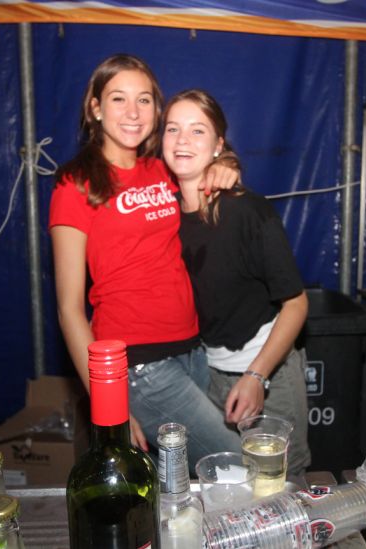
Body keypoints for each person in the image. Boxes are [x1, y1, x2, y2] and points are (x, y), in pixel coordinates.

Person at [49, 55, 240, 467]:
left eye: (144, 100)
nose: (133, 112)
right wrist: (108, 404)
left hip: (193, 349)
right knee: (236, 463)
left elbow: (209, 162)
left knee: (191, 483)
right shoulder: (74, 184)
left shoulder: (161, 169)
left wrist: (226, 164)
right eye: (118, 99)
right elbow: (69, 310)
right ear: (95, 108)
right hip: (139, 365)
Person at [162, 89, 312, 477]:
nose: (182, 140)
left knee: (279, 485)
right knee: (223, 484)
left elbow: (296, 304)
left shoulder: (247, 210)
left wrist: (257, 376)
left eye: (197, 130)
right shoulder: (161, 216)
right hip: (204, 376)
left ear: (218, 145)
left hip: (268, 371)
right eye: (173, 129)